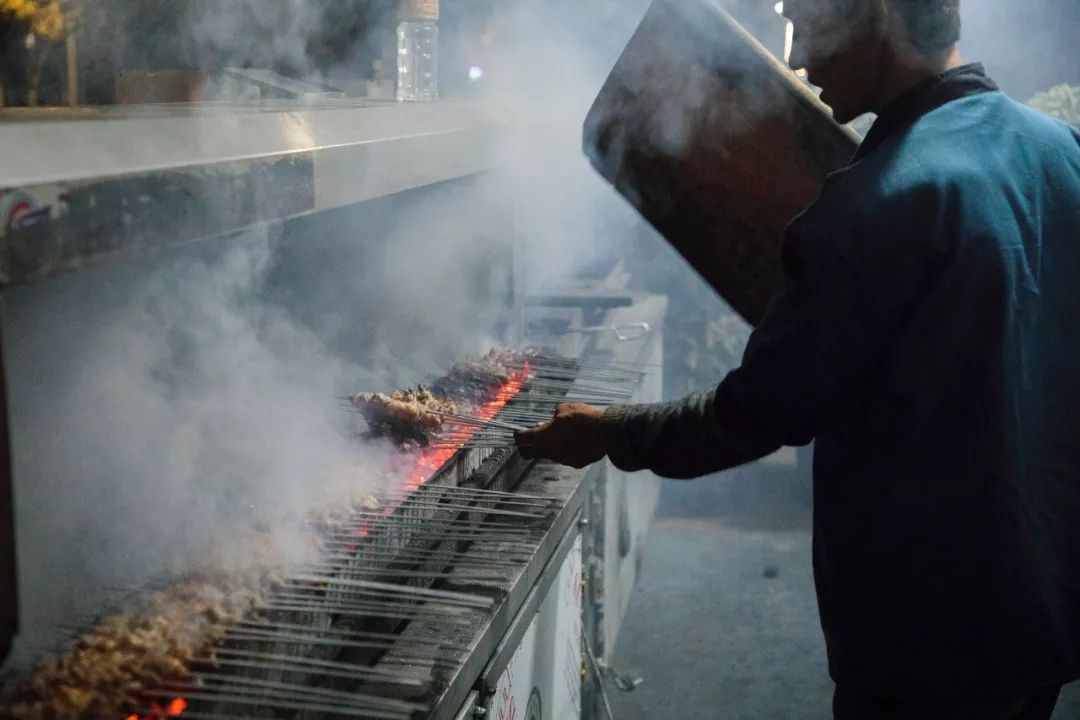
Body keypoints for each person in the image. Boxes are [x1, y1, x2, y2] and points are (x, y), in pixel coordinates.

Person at [516, 0, 1080, 718]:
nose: (797, 59)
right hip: (1046, 609)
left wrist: (609, 432)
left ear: (875, 16)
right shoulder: (1062, 152)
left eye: (807, 24)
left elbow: (756, 415)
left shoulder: (874, 204)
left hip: (930, 634)